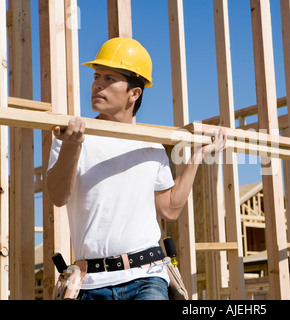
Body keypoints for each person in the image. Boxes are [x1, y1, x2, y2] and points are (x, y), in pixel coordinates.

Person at [45, 37, 226, 300]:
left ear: (134, 93)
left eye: (109, 78)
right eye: (97, 76)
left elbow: (169, 209)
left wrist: (197, 157)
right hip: (91, 282)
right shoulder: (72, 136)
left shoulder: (150, 145)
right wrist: (72, 147)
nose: (97, 83)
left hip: (147, 277)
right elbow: (58, 197)